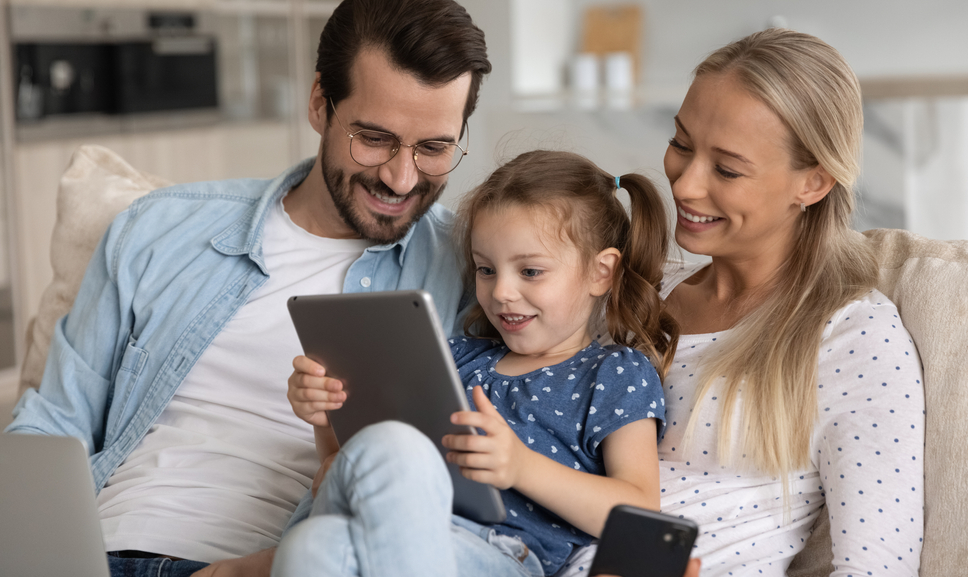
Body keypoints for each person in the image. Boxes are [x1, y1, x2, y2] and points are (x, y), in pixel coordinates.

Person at [4, 0, 491, 577]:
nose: (400, 176)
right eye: (374, 138)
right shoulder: (157, 230)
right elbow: (52, 427)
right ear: (320, 102)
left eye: (434, 148)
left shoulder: (476, 271)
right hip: (99, 552)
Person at [278, 150, 676, 577]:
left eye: (530, 272)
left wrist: (521, 467)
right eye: (486, 269)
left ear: (602, 272)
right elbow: (347, 466)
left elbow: (639, 510)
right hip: (383, 533)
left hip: (494, 554)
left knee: (382, 463)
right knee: (314, 541)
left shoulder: (614, 372)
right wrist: (326, 416)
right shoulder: (454, 355)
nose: (501, 291)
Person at [651, 29, 924, 576]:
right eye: (682, 144)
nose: (684, 185)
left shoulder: (853, 336)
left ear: (814, 183)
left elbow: (874, 568)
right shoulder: (642, 298)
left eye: (727, 169)